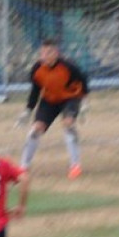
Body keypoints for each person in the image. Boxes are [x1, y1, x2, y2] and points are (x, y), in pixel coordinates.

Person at [17, 38, 89, 179]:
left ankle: (75, 166)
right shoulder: (37, 68)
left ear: (56, 53)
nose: (45, 56)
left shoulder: (68, 66)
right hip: (49, 100)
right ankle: (23, 166)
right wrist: (28, 110)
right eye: (42, 53)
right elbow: (35, 90)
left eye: (49, 53)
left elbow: (83, 80)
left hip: (70, 98)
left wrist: (85, 101)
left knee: (68, 124)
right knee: (36, 129)